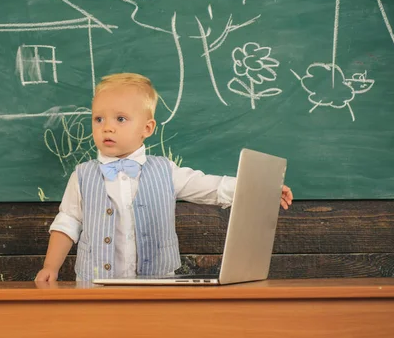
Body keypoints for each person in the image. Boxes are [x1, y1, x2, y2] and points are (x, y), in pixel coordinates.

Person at [35, 73, 293, 282]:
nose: (107, 127)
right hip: (95, 286)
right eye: (98, 119)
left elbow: (210, 187)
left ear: (147, 128)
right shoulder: (82, 175)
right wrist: (51, 266)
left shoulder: (165, 171)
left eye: (120, 119)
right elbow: (67, 222)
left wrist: (263, 189)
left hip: (157, 286)